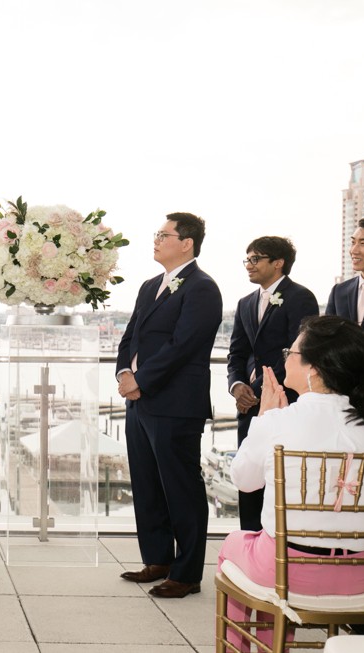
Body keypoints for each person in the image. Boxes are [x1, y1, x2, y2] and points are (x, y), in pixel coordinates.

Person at [220, 315, 364, 651]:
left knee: (233, 544)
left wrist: (263, 418)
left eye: (291, 352)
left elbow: (243, 481)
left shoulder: (279, 423)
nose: (285, 357)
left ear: (313, 368)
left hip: (288, 573)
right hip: (359, 576)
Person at [115, 212, 222, 599]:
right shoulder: (148, 286)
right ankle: (157, 559)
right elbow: (130, 337)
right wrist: (124, 374)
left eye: (164, 234)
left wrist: (141, 380)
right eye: (157, 234)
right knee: (146, 484)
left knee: (181, 488)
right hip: (140, 403)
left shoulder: (203, 288)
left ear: (187, 242)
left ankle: (187, 572)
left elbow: (184, 346)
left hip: (176, 404)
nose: (156, 240)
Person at [226, 236, 318, 531]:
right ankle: (249, 543)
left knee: (281, 478)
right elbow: (237, 352)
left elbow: (297, 353)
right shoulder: (245, 303)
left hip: (285, 402)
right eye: (247, 259)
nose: (249, 265)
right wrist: (237, 385)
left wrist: (259, 390)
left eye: (256, 259)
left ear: (278, 263)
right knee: (249, 481)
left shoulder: (300, 297)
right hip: (249, 406)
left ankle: (276, 547)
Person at [326, 217, 364, 329]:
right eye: (353, 242)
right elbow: (326, 337)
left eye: (363, 243)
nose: (354, 250)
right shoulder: (338, 292)